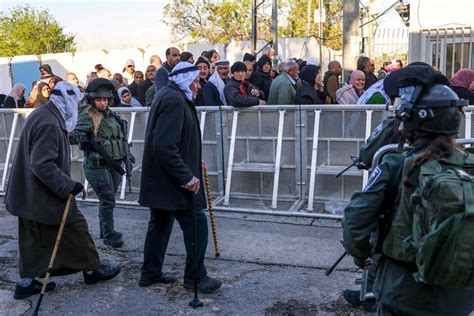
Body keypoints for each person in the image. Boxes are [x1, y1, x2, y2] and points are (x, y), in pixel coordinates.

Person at [342, 78, 474, 315]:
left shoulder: (395, 164)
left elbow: (355, 220)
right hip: (459, 298)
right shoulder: (470, 165)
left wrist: (362, 257)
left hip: (402, 292)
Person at [4, 81, 121, 300]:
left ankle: (26, 281)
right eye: (75, 103)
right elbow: (42, 164)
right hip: (42, 193)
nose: (76, 108)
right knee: (75, 225)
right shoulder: (49, 123)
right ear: (66, 101)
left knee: (32, 237)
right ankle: (92, 269)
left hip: (30, 192)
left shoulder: (44, 115)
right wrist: (68, 185)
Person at [138, 62, 222, 293]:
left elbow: (177, 139)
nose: (198, 86)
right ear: (186, 80)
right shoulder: (174, 99)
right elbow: (164, 144)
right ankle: (196, 277)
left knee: (160, 224)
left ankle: (150, 273)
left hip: (163, 179)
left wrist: (194, 161)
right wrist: (186, 176)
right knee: (197, 224)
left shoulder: (171, 95)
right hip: (173, 182)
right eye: (195, 82)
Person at [69, 78, 127, 248]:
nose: (103, 103)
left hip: (114, 164)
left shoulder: (112, 115)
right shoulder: (87, 115)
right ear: (92, 100)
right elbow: (76, 136)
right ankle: (109, 235)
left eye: (105, 99)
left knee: (109, 200)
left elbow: (120, 138)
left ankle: (106, 230)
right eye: (99, 100)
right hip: (96, 165)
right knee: (107, 199)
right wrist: (72, 135)